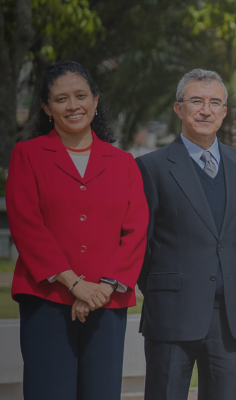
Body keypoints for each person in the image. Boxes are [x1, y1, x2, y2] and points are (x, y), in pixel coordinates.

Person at [7, 60, 148, 399]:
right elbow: (26, 225)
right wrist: (75, 284)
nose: (73, 106)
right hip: (47, 299)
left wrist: (100, 288)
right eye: (61, 99)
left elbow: (136, 230)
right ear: (46, 107)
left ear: (96, 101)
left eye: (81, 96)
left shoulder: (123, 162)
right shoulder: (27, 155)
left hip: (106, 300)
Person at [136, 69, 236, 399]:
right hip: (173, 309)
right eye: (196, 101)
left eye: (215, 102)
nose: (206, 109)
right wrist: (167, 285)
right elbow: (141, 244)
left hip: (232, 315)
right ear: (179, 109)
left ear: (224, 112)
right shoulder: (152, 167)